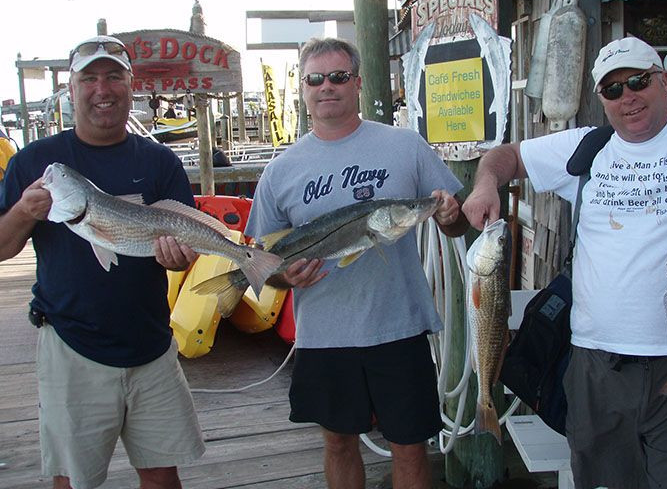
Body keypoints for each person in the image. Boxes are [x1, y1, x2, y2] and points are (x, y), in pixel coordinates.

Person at [462, 36, 667, 489]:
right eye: (613, 89)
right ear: (601, 99)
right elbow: (507, 157)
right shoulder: (587, 147)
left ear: (665, 80)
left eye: (639, 81)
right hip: (595, 367)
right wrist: (487, 185)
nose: (629, 97)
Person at [245, 37, 468, 489]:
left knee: (410, 445)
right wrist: (285, 276)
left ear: (358, 83)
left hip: (399, 327)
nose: (328, 87)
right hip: (324, 335)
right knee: (338, 443)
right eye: (316, 79)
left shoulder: (406, 146)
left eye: (339, 77)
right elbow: (262, 259)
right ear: (303, 88)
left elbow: (455, 224)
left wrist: (449, 215)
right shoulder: (280, 170)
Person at [0, 35, 205, 489]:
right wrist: (21, 212)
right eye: (89, 78)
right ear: (70, 89)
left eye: (114, 76)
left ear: (131, 86)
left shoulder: (160, 161)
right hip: (72, 345)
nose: (102, 89)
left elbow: (182, 254)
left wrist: (180, 259)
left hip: (152, 345)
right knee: (72, 479)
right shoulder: (35, 163)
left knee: (161, 473)